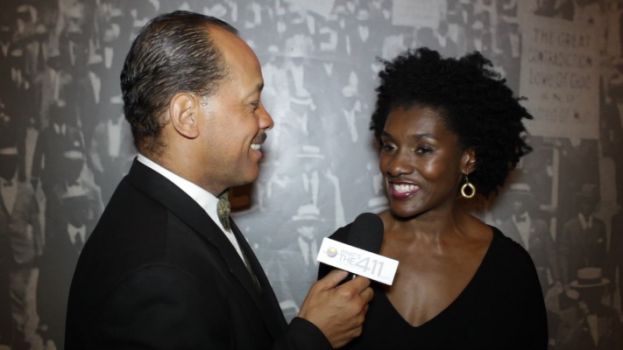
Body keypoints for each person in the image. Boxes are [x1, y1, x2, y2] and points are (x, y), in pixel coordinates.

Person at [65, 11, 373, 350]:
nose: (266, 120)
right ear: (187, 116)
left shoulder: (174, 211)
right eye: (252, 103)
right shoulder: (159, 272)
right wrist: (312, 337)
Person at [319, 48, 547, 349]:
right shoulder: (347, 249)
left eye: (423, 149)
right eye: (389, 146)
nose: (395, 166)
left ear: (467, 160)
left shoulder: (509, 269)